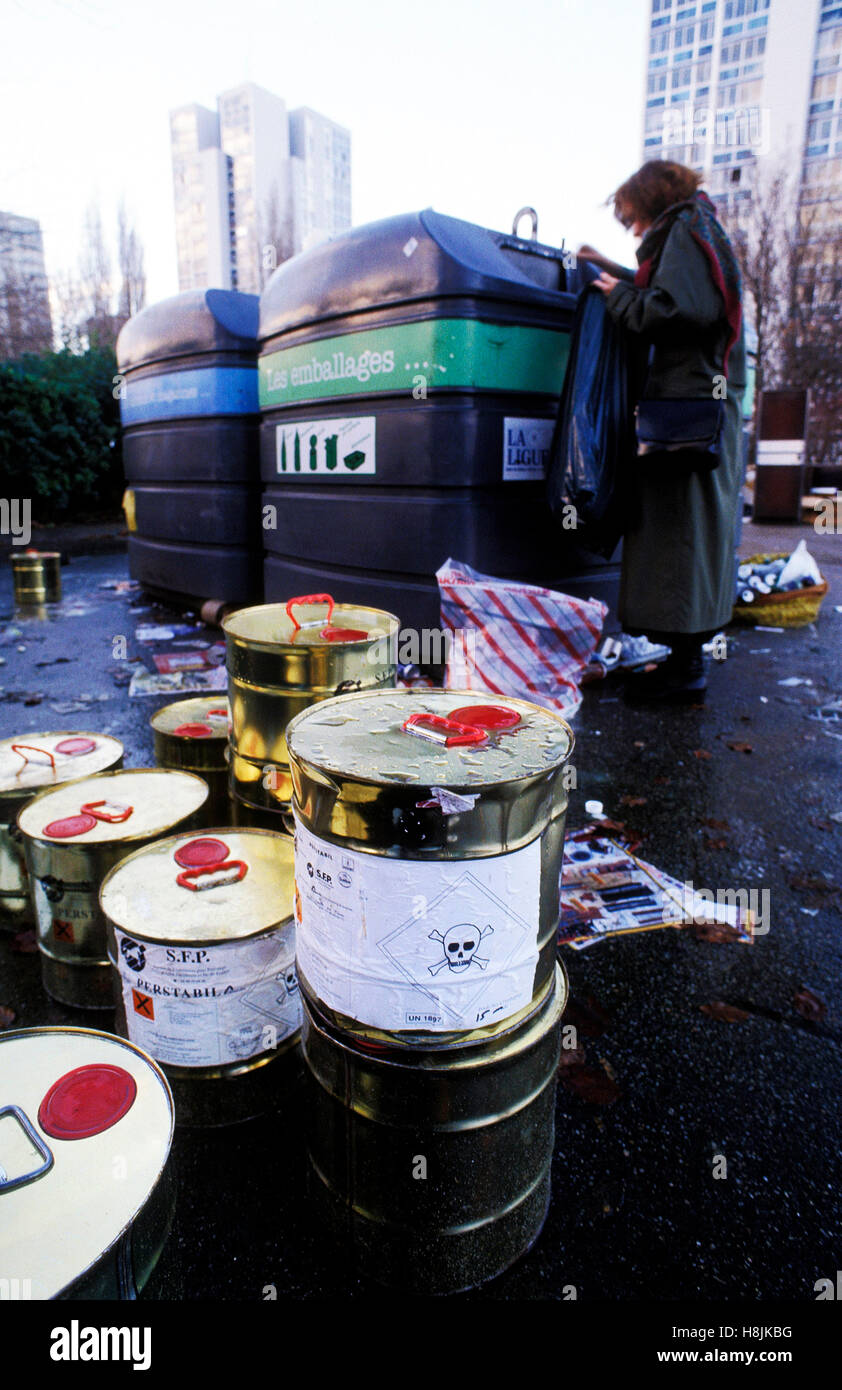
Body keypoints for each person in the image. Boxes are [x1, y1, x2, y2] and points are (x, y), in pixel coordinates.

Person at [579, 160, 746, 703]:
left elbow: (679, 309)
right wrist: (613, 272)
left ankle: (686, 673)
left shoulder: (683, 229)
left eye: (631, 219)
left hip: (689, 415)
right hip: (701, 411)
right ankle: (682, 663)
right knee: (686, 539)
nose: (632, 231)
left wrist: (618, 296)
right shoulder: (700, 228)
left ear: (651, 201)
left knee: (682, 539)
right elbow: (680, 294)